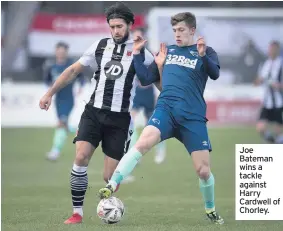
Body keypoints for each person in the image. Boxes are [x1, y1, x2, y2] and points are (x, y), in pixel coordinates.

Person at [39, 2, 160, 224]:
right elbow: (74, 70)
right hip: (93, 112)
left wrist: (176, 104)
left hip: (120, 120)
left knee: (109, 177)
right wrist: (50, 93)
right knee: (81, 157)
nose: (115, 31)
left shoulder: (141, 50)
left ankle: (108, 206)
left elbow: (157, 81)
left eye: (120, 26)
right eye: (112, 26)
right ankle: (77, 213)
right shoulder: (100, 46)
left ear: (130, 25)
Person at [99, 12, 224, 225]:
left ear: (192, 30)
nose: (177, 34)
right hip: (165, 110)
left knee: (203, 171)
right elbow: (146, 78)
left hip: (192, 117)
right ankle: (112, 184)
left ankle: (210, 209)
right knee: (143, 143)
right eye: (174, 30)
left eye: (181, 30)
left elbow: (215, 74)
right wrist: (138, 53)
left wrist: (203, 56)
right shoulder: (168, 51)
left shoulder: (206, 51)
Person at [43, 41, 85, 161]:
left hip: (68, 100)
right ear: (56, 52)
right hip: (57, 100)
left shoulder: (71, 66)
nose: (61, 53)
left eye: (63, 51)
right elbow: (46, 80)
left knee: (61, 123)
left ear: (66, 52)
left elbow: (81, 78)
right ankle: (79, 132)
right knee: (64, 125)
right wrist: (50, 87)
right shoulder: (51, 66)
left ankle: (55, 151)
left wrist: (81, 87)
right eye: (59, 51)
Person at [131, 27, 166, 164]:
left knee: (151, 127)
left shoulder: (150, 56)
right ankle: (134, 154)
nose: (136, 40)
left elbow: (157, 77)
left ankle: (160, 150)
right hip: (136, 94)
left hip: (148, 94)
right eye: (134, 37)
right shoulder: (130, 54)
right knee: (130, 122)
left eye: (139, 37)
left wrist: (160, 94)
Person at [254, 41, 283, 144]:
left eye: (273, 49)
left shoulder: (281, 64)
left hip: (279, 102)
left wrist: (277, 85)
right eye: (269, 49)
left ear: (277, 50)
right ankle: (275, 143)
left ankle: (277, 145)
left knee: (278, 131)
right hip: (267, 102)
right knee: (260, 128)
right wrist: (259, 81)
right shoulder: (265, 64)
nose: (270, 51)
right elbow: (257, 81)